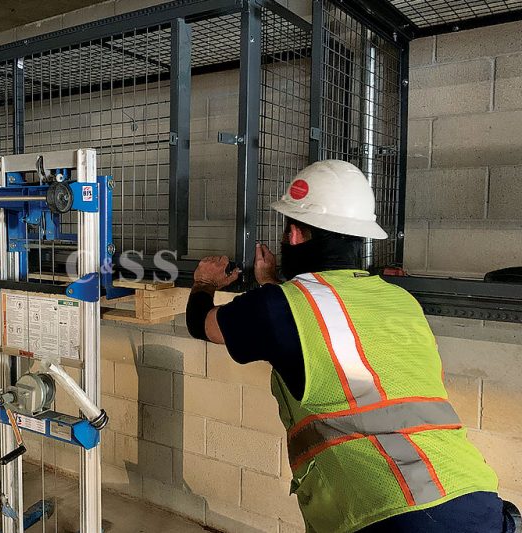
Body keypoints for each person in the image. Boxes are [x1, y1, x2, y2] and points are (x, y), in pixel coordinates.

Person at [186, 160, 515, 532]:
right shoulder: (400, 299)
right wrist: (272, 287)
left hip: (387, 511)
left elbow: (202, 325)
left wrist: (203, 282)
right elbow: (316, 323)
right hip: (475, 499)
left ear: (294, 235)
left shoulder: (278, 307)